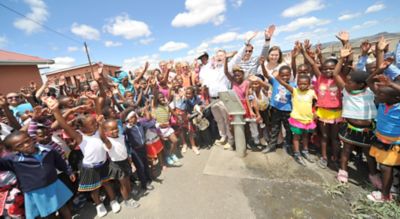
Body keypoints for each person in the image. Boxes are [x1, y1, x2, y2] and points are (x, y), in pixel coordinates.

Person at [46, 96, 121, 218]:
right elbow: (64, 125)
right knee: (94, 189)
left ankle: (113, 200)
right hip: (90, 167)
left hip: (103, 164)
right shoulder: (79, 136)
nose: (95, 123)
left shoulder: (99, 130)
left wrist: (96, 100)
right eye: (92, 123)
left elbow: (99, 115)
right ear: (82, 127)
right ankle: (99, 205)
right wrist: (55, 111)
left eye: (95, 122)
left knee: (107, 184)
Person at [332, 46, 380, 186]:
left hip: (367, 129)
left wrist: (379, 54)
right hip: (350, 127)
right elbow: (335, 75)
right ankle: (343, 171)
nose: (347, 83)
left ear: (361, 85)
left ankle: (373, 174)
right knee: (346, 151)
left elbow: (375, 75)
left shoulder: (370, 92)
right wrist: (341, 58)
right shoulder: (346, 91)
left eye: (350, 81)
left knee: (369, 154)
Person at [0, 131, 74, 219]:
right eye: (20, 145)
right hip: (36, 192)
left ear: (31, 138)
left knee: (63, 207)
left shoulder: (48, 150)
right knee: (48, 214)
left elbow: (60, 162)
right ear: (13, 150)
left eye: (27, 141)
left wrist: (69, 171)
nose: (26, 145)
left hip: (54, 185)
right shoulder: (12, 160)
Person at [366, 60, 400, 202]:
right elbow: (368, 81)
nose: (377, 96)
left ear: (396, 98)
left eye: (380, 95)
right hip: (381, 138)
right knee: (385, 166)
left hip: (394, 143)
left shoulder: (398, 107)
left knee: (386, 167)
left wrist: (391, 84)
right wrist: (379, 70)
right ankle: (390, 188)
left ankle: (385, 196)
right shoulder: (383, 101)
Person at [275, 71, 317, 166]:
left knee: (306, 136)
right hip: (296, 120)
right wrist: (277, 78)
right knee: (296, 137)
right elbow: (285, 84)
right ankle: (297, 153)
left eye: (305, 84)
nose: (302, 85)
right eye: (300, 83)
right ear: (297, 84)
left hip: (308, 120)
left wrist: (316, 113)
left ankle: (305, 151)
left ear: (309, 84)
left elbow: (317, 102)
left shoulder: (312, 92)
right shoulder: (295, 91)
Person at [99, 119, 140, 208]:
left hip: (125, 161)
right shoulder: (108, 142)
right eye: (112, 129)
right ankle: (127, 200)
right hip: (117, 165)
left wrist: (130, 162)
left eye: (116, 128)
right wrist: (100, 125)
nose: (115, 130)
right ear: (105, 132)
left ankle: (129, 193)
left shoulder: (121, 136)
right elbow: (103, 138)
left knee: (127, 180)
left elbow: (124, 150)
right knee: (123, 184)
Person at [260, 59, 295, 154]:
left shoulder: (293, 85)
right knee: (275, 128)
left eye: (287, 75)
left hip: (287, 111)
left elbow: (292, 91)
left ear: (290, 75)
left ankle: (288, 145)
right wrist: (262, 65)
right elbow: (266, 75)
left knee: (288, 130)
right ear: (279, 75)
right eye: (282, 75)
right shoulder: (275, 82)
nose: (284, 77)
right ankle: (272, 146)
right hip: (276, 110)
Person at [123, 108, 156, 194]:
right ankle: (144, 184)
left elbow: (149, 124)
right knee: (140, 167)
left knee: (145, 164)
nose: (134, 118)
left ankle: (148, 179)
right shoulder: (128, 129)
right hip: (135, 151)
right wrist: (127, 127)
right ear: (128, 119)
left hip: (143, 148)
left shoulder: (140, 124)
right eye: (132, 117)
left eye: (134, 117)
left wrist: (155, 121)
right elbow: (123, 133)